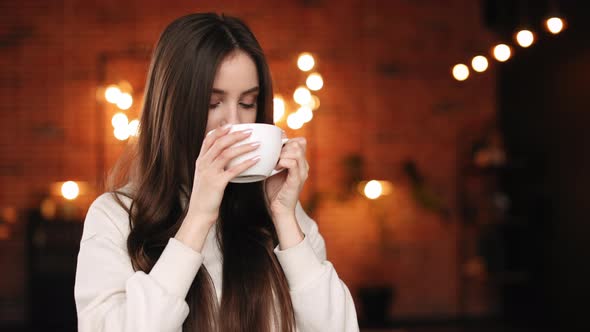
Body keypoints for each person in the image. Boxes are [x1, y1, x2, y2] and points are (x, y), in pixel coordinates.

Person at [74, 12, 359, 332]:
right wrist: (197, 218)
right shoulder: (114, 216)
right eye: (213, 104)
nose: (234, 122)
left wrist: (284, 218)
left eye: (248, 102)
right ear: (171, 108)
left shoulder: (284, 217)